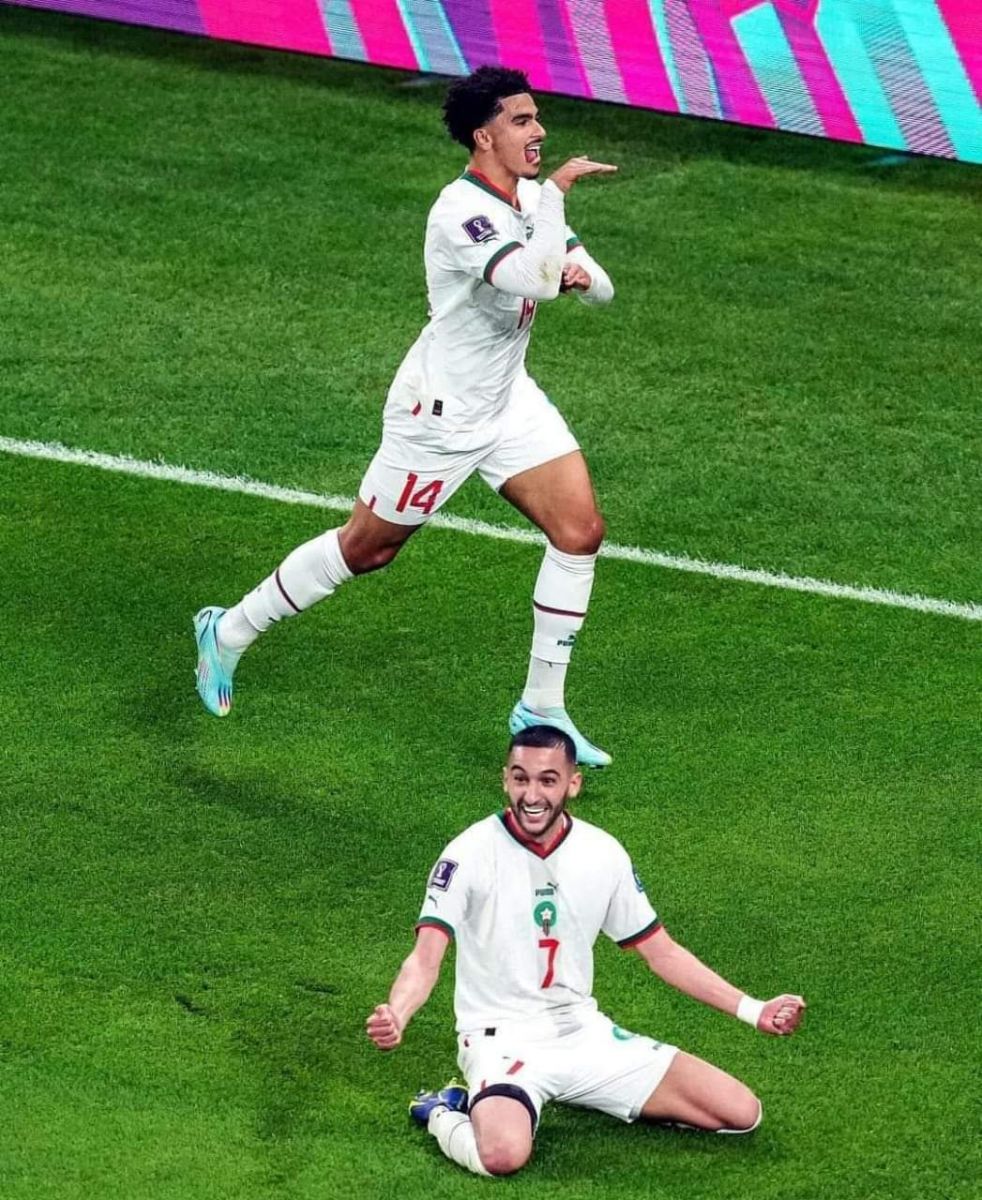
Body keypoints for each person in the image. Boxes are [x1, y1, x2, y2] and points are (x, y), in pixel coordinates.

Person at [193, 66, 619, 766]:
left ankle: (542, 707)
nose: (538, 130)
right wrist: (557, 207)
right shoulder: (461, 213)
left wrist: (574, 263)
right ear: (483, 136)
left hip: (507, 399)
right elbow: (530, 280)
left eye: (536, 117)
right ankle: (229, 631)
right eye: (521, 120)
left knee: (580, 532)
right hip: (441, 414)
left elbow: (600, 290)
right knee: (368, 549)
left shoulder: (530, 199)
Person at [365, 725, 806, 1177]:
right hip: (500, 1040)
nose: (531, 795)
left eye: (547, 780)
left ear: (573, 783)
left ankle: (575, 1091)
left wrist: (754, 1009)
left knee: (740, 1112)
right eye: (520, 778)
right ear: (505, 779)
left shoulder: (602, 853)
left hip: (583, 1033)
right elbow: (426, 958)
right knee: (502, 1155)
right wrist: (398, 1012)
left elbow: (663, 954)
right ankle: (442, 1111)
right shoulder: (468, 855)